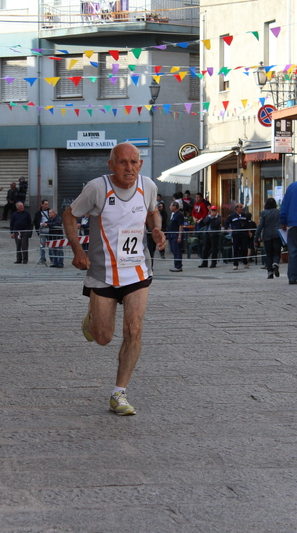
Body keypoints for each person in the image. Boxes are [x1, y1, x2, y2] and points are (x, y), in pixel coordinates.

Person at [61, 142, 165, 416]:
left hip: (137, 271)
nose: (129, 167)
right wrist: (77, 249)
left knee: (134, 329)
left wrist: (156, 230)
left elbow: (153, 211)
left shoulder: (148, 186)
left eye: (134, 162)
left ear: (140, 164)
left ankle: (119, 393)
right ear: (111, 164)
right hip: (103, 275)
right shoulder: (98, 188)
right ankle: (93, 320)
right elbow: (69, 215)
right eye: (122, 162)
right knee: (103, 337)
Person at [256, 198, 282, 279]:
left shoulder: (264, 213)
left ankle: (270, 272)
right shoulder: (279, 212)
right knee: (276, 252)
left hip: (267, 236)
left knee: (268, 254)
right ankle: (275, 263)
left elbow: (261, 226)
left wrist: (256, 236)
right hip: (277, 235)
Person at [225, 203, 250, 270]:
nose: (242, 208)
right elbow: (226, 224)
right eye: (240, 207)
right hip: (236, 235)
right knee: (235, 249)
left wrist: (249, 232)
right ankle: (235, 264)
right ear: (236, 208)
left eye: (242, 207)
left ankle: (245, 263)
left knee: (244, 249)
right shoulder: (232, 216)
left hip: (244, 234)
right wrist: (229, 229)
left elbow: (248, 224)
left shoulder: (245, 216)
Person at [167, 201, 185, 272]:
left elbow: (181, 226)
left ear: (175, 207)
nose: (170, 207)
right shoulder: (173, 214)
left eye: (171, 206)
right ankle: (176, 264)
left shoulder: (179, 215)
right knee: (174, 250)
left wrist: (179, 236)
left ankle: (178, 265)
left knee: (177, 250)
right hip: (171, 233)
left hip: (176, 234)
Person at [34, 200, 51, 265]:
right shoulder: (38, 213)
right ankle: (42, 259)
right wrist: (38, 229)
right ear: (42, 205)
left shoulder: (50, 212)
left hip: (50, 231)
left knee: (51, 245)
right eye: (46, 204)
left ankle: (53, 259)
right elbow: (36, 222)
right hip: (42, 231)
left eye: (47, 204)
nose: (47, 205)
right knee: (42, 246)